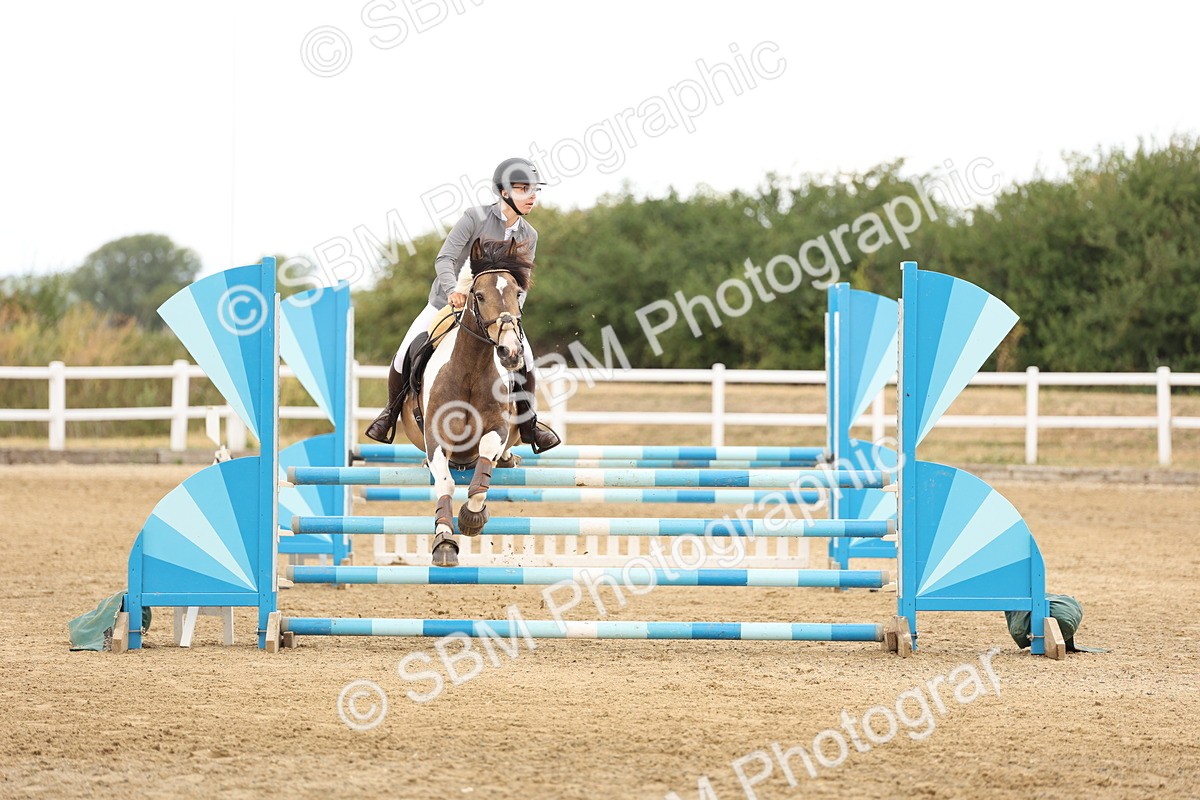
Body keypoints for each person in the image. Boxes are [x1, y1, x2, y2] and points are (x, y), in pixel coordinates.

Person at [365, 157, 561, 452]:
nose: (532, 196)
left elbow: (522, 282)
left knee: (527, 360)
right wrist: (452, 291)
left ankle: (530, 425)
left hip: (497, 314)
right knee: (405, 351)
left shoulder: (528, 235)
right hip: (447, 302)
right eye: (523, 189)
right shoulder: (475, 217)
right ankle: (390, 414)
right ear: (505, 192)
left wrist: (510, 313)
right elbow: (444, 258)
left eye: (534, 190)